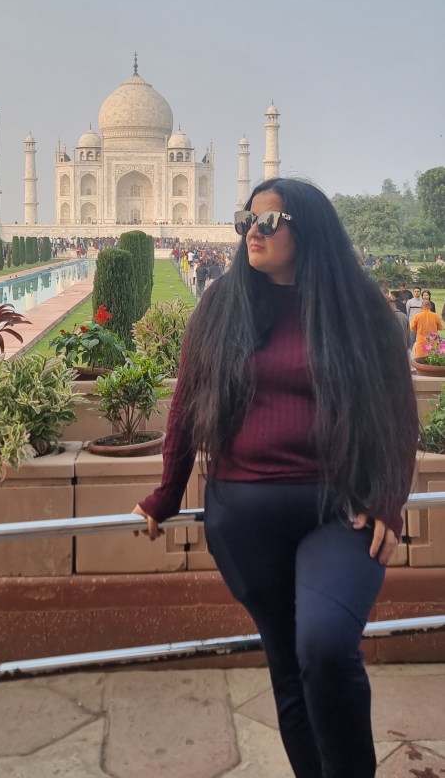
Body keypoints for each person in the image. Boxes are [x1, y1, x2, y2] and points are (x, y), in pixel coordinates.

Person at [132, 177, 418, 778]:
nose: (251, 234)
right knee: (289, 668)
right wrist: (165, 494)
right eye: (247, 221)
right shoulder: (224, 303)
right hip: (244, 517)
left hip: (339, 506)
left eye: (268, 222)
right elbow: (186, 407)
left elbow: (397, 412)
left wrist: (390, 501)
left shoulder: (358, 309)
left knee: (326, 647)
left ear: (307, 230)